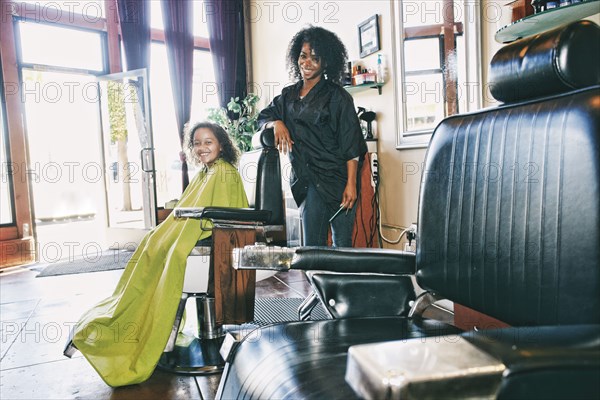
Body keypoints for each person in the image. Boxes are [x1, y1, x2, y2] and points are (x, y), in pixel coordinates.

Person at [69, 122, 248, 387]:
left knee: (164, 250)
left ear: (221, 144)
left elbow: (221, 215)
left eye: (208, 142)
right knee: (152, 245)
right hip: (204, 234)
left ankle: (139, 330)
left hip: (221, 243)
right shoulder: (206, 172)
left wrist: (180, 232)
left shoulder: (224, 172)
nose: (202, 148)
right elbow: (196, 205)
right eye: (197, 143)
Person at [258, 26, 367, 247]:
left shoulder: (338, 97)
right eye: (303, 56)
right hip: (307, 182)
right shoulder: (288, 95)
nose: (306, 63)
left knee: (342, 247)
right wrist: (276, 122)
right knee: (312, 250)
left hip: (338, 179)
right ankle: (315, 283)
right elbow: (262, 118)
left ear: (326, 63)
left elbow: (351, 144)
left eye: (314, 59)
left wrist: (351, 185)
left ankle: (340, 283)